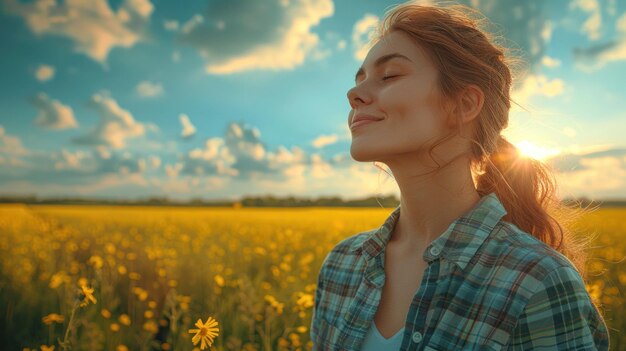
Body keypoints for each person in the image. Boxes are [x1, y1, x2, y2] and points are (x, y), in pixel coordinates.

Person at [309, 1, 611, 350]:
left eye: (389, 75)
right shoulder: (341, 265)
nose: (354, 95)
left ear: (464, 104)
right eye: (359, 80)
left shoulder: (536, 280)